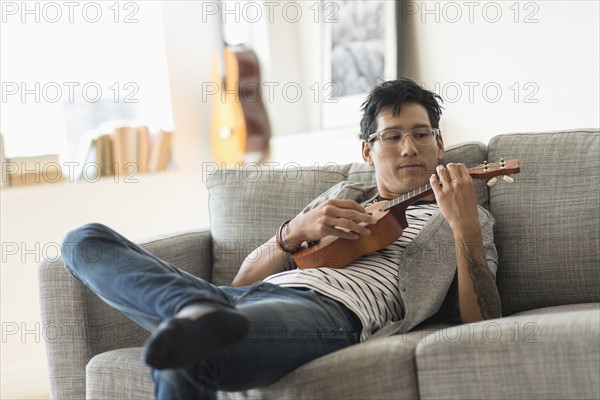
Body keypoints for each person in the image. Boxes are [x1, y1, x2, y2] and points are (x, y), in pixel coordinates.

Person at [61, 78, 501, 400]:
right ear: (367, 151)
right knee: (83, 240)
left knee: (188, 348)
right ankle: (191, 311)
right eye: (393, 136)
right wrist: (293, 233)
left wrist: (464, 230)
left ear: (439, 144)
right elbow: (239, 283)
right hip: (241, 298)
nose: (408, 148)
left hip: (327, 313)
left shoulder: (464, 214)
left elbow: (480, 322)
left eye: (421, 134)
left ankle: (189, 317)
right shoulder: (344, 195)